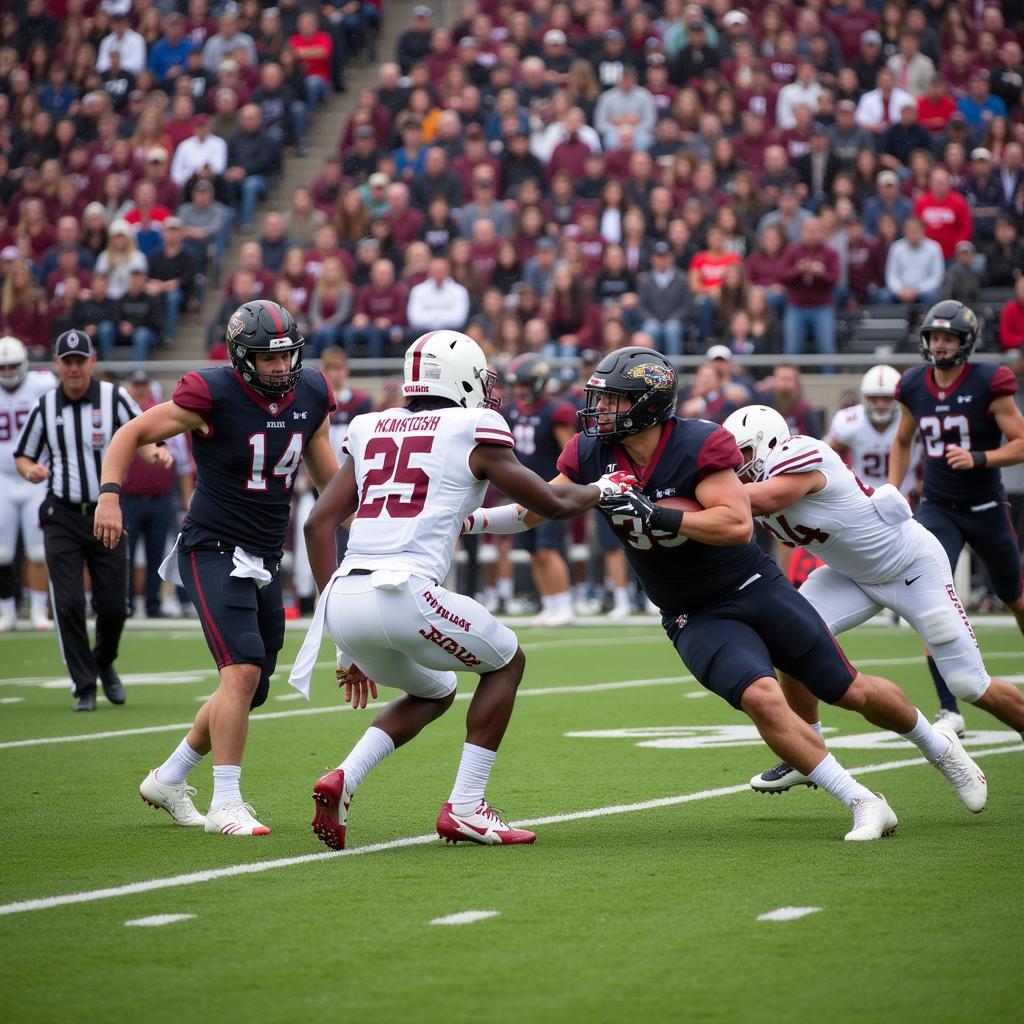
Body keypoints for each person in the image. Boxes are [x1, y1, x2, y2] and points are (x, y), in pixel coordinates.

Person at [474, 347, 984, 840]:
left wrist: (659, 514)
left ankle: (936, 745)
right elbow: (537, 506)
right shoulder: (590, 451)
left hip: (753, 585)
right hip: (690, 611)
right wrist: (470, 521)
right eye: (600, 398)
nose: (601, 410)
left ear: (649, 405)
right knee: (762, 698)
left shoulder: (700, 443)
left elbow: (737, 523)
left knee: (847, 689)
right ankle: (862, 800)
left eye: (614, 400)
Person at [287, 330, 630, 848]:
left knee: (436, 690)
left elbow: (318, 525)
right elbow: (553, 504)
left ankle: (344, 777)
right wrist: (604, 488)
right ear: (463, 377)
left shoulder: (371, 424)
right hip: (404, 591)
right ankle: (467, 807)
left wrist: (341, 635)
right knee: (507, 663)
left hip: (344, 599)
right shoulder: (473, 425)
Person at [93, 300, 339, 836]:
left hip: (267, 554)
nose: (280, 368)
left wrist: (364, 525)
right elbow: (128, 434)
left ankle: (170, 777)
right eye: (266, 359)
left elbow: (329, 481)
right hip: (213, 545)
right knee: (242, 670)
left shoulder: (312, 392)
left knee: (252, 686)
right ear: (239, 358)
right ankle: (227, 801)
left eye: (286, 357)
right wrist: (109, 495)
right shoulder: (212, 392)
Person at [723, 404, 1005, 800]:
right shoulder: (749, 484)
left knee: (969, 685)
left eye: (743, 455)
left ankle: (947, 750)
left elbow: (767, 498)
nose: (736, 466)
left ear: (769, 443)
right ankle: (806, 750)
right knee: (784, 639)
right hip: (851, 575)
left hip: (910, 566)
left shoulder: (798, 452)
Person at [14, 329, 172, 710]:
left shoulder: (113, 397)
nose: (73, 369)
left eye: (79, 361)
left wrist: (155, 454)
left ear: (91, 362)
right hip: (63, 514)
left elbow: (143, 433)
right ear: (56, 365)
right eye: (66, 362)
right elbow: (23, 454)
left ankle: (103, 663)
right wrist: (31, 470)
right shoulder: (44, 407)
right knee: (67, 602)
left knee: (115, 606)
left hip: (108, 515)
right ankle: (84, 685)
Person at [889, 300, 1024, 735]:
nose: (940, 345)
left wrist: (981, 457)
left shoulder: (990, 380)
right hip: (938, 508)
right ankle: (949, 708)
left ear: (965, 342)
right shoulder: (913, 385)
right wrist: (893, 490)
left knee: (1015, 596)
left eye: (948, 338)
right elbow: (902, 440)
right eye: (934, 337)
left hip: (985, 507)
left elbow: (1021, 442)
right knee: (932, 603)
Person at [502, 354, 580, 627]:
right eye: (517, 384)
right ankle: (549, 603)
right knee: (533, 551)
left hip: (550, 489)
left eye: (525, 384)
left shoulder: (556, 411)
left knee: (547, 548)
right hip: (524, 491)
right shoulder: (511, 411)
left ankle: (564, 604)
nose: (521, 390)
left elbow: (570, 452)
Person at [0, 336, 56, 631]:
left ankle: (37, 609)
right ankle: (6, 610)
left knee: (37, 551)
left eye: (12, 365)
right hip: (2, 478)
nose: (8, 371)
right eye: (3, 366)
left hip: (36, 475)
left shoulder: (42, 384)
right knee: (2, 552)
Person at [827, 364, 919, 494]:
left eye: (887, 398)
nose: (880, 403)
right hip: (863, 495)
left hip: (906, 495)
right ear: (864, 397)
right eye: (874, 397)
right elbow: (828, 453)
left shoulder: (911, 417)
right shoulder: (850, 421)